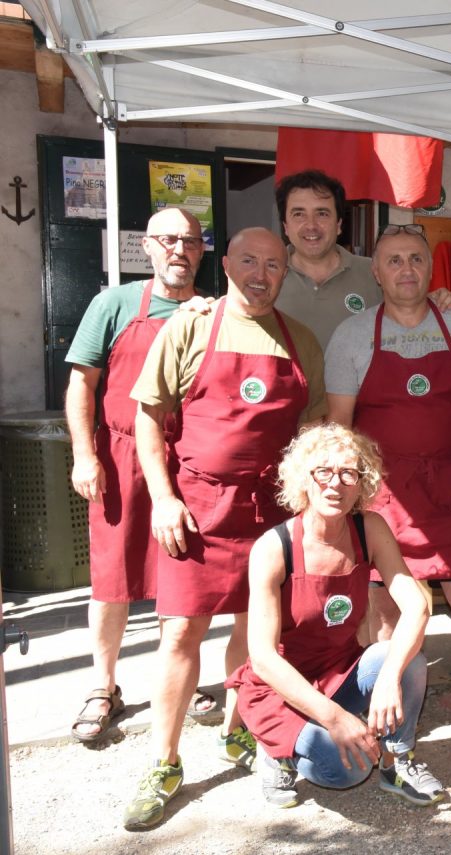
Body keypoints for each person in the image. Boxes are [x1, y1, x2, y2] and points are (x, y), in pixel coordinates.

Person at [125, 227, 327, 830]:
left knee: (255, 629)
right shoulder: (188, 327)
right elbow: (147, 419)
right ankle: (163, 761)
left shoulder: (303, 340)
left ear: (285, 271)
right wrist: (162, 498)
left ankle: (239, 733)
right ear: (227, 263)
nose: (260, 273)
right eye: (248, 260)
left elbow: (313, 436)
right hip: (197, 510)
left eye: (272, 263)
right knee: (181, 636)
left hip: (271, 514)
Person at [325, 223, 451, 732]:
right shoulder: (354, 333)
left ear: (431, 269)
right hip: (381, 493)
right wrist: (347, 498)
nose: (406, 269)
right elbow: (339, 425)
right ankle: (394, 724)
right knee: (387, 608)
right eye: (394, 260)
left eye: (415, 259)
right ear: (377, 272)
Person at [228, 423, 444, 809]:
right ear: (303, 480)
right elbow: (262, 657)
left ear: (362, 483)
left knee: (405, 660)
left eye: (349, 473)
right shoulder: (273, 547)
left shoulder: (370, 529)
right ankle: (277, 751)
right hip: (280, 688)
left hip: (339, 671)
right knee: (348, 770)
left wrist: (389, 678)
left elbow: (417, 606)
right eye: (323, 472)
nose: (336, 484)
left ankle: (399, 761)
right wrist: (333, 718)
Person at [64, 208, 204, 743]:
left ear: (201, 250)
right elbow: (83, 383)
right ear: (146, 246)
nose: (179, 250)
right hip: (121, 456)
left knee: (183, 575)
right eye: (168, 239)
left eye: (189, 240)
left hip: (187, 457)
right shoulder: (114, 303)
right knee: (112, 577)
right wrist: (84, 453)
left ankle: (176, 681)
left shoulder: (215, 310)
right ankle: (103, 685)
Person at [275, 170, 382, 347]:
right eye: (299, 214)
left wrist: (438, 300)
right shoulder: (267, 275)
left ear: (339, 224)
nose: (311, 225)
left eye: (322, 213)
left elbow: (411, 314)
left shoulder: (375, 273)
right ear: (285, 226)